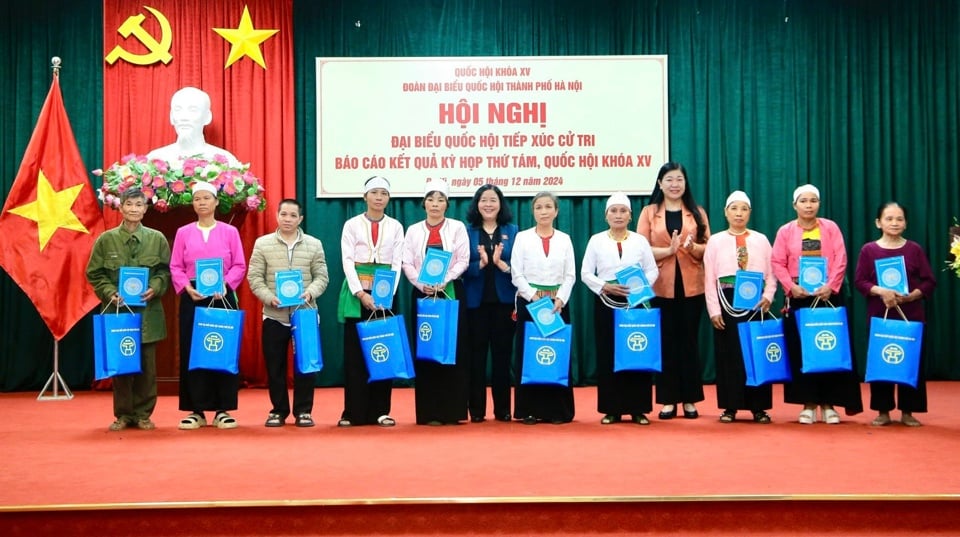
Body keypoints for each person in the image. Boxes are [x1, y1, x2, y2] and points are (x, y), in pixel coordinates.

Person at [771, 184, 863, 424]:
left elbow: (841, 259)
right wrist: (791, 287)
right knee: (802, 352)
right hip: (799, 297)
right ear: (794, 205)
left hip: (828, 297)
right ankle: (808, 403)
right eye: (803, 201)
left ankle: (829, 404)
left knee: (829, 348)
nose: (809, 205)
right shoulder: (785, 231)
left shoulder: (830, 228)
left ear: (819, 204)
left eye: (813, 201)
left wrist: (831, 286)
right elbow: (777, 262)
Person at [86, 187, 171, 432]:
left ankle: (143, 414)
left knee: (146, 367)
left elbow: (165, 271)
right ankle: (123, 415)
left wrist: (155, 287)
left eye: (139, 205)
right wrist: (109, 291)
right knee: (122, 366)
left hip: (148, 314)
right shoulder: (106, 240)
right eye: (129, 204)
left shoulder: (157, 239)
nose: (134, 209)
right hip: (118, 313)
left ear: (146, 209)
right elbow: (94, 273)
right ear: (120, 208)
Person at [169, 181, 247, 429]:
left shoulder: (229, 232)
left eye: (206, 198)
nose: (201, 203)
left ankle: (223, 409)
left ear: (216, 202)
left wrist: (227, 284)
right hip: (193, 297)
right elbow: (175, 267)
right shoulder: (183, 232)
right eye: (197, 199)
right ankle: (196, 410)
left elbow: (239, 265)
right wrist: (186, 287)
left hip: (222, 297)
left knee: (222, 350)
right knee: (194, 352)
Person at [636, 162, 710, 420]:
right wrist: (668, 251)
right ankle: (668, 400)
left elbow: (707, 248)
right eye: (669, 180)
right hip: (659, 286)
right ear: (659, 184)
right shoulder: (648, 212)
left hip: (692, 287)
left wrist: (691, 248)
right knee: (665, 343)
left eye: (679, 179)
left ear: (685, 183)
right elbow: (640, 249)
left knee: (689, 343)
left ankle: (690, 399)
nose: (674, 184)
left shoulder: (697, 212)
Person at [247, 199, 330, 428]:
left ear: (300, 219)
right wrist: (268, 297)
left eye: (293, 216)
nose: (287, 219)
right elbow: (254, 278)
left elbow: (322, 277)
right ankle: (278, 410)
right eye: (284, 214)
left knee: (306, 365)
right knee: (275, 367)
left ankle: (304, 411)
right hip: (274, 315)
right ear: (277, 215)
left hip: (305, 314)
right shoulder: (263, 244)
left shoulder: (314, 244)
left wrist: (310, 294)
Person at [854, 202, 936, 427]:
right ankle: (883, 411)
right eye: (889, 219)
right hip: (881, 314)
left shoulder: (914, 249)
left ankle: (909, 411)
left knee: (911, 362)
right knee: (882, 361)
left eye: (899, 219)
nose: (894, 223)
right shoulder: (868, 250)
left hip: (910, 314)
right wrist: (882, 291)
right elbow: (860, 282)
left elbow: (929, 281)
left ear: (906, 223)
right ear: (878, 223)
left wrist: (912, 295)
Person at [581, 192, 659, 425]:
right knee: (608, 355)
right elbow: (586, 273)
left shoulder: (640, 241)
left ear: (630, 216)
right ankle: (611, 409)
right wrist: (605, 286)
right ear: (606, 216)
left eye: (623, 211)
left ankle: (638, 409)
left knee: (638, 353)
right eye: (613, 211)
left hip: (636, 305)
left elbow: (652, 270)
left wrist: (639, 289)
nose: (618, 215)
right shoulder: (596, 240)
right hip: (606, 304)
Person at [703, 191, 778, 424]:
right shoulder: (715, 241)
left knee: (756, 355)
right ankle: (730, 407)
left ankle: (759, 407)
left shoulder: (761, 239)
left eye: (743, 209)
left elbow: (771, 274)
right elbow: (709, 278)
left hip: (755, 303)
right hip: (726, 301)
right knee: (730, 355)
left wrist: (768, 296)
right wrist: (714, 310)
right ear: (726, 212)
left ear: (750, 213)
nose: (738, 213)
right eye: (734, 208)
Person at [337, 176, 405, 427]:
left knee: (382, 351)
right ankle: (352, 412)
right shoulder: (351, 224)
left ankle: (380, 410)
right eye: (374, 193)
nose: (379, 197)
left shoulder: (396, 226)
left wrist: (386, 296)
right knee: (355, 354)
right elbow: (346, 260)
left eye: (383, 193)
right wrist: (360, 293)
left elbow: (397, 262)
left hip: (385, 297)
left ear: (389, 198)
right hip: (358, 295)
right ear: (365, 196)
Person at [402, 178, 471, 425]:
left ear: (447, 204)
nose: (435, 204)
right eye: (431, 199)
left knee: (453, 349)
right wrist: (422, 284)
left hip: (450, 292)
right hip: (423, 295)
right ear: (424, 203)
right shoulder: (413, 230)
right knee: (427, 350)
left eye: (440, 199)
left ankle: (452, 411)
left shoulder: (457, 227)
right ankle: (429, 412)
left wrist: (446, 278)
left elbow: (464, 259)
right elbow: (407, 262)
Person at [512, 192, 577, 425]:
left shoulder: (565, 239)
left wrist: (560, 299)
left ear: (556, 211)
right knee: (529, 355)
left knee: (556, 354)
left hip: (557, 306)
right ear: (533, 211)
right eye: (539, 207)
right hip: (530, 304)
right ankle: (528, 410)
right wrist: (533, 296)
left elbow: (570, 275)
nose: (544, 211)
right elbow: (516, 273)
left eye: (548, 207)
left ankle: (558, 410)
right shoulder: (522, 238)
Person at [463, 185, 518, 423]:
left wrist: (501, 264)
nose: (488, 204)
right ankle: (476, 411)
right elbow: (460, 267)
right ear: (477, 204)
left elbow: (522, 267)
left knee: (502, 358)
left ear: (500, 204)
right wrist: (482, 264)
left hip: (504, 304)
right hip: (475, 305)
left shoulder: (513, 231)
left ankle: (503, 410)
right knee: (476, 358)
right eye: (483, 200)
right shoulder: (466, 232)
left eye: (493, 200)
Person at [146, 86, 241, 167]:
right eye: (178, 109)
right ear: (171, 116)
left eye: (193, 110)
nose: (184, 117)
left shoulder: (226, 161)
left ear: (207, 117)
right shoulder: (155, 159)